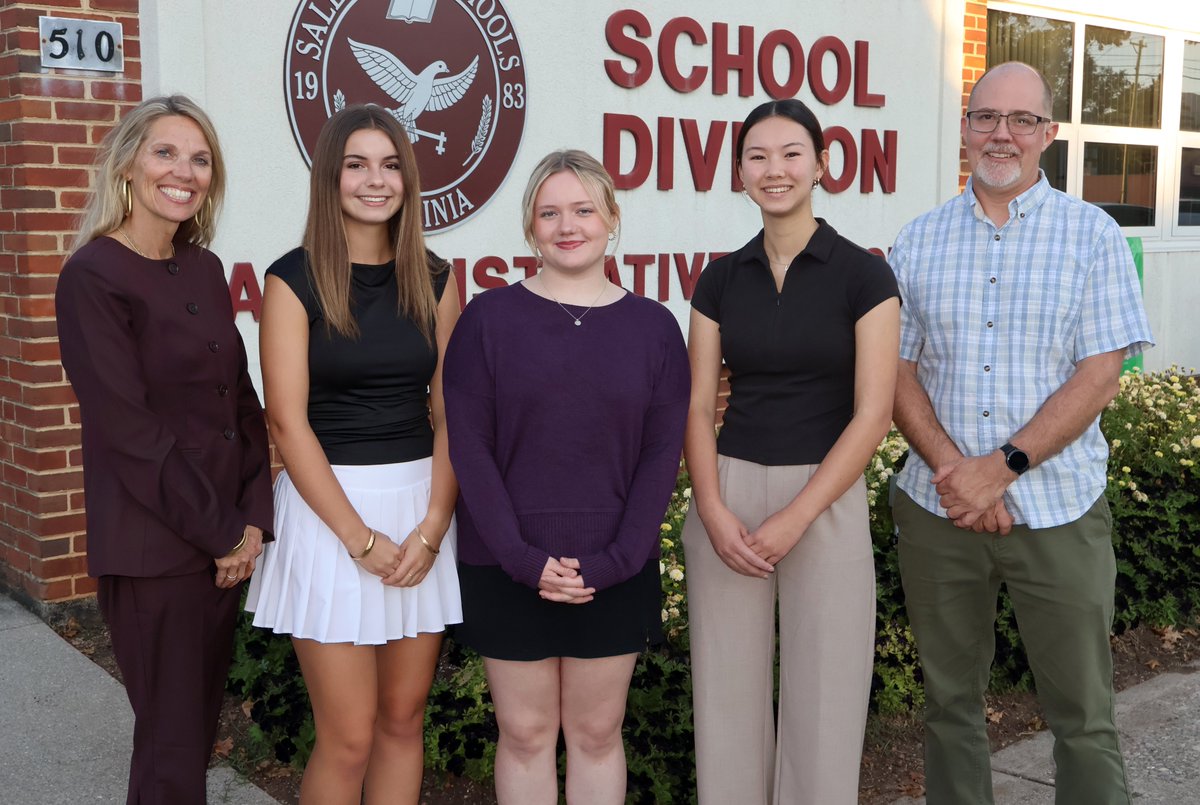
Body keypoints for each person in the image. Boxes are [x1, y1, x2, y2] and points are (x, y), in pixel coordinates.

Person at [889, 61, 1153, 805]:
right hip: (938, 508)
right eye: (985, 117)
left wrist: (999, 468)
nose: (1001, 134)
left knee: (1083, 715)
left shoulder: (1092, 236)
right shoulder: (917, 240)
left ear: (1049, 134)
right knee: (948, 709)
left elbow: (1100, 375)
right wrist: (956, 471)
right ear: (966, 128)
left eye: (1021, 120)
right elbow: (896, 372)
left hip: (1060, 510)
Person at [443, 149, 689, 804]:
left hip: (613, 563)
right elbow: (470, 450)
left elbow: (662, 457)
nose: (567, 225)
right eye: (549, 213)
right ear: (529, 228)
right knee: (523, 731)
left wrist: (615, 562)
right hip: (505, 560)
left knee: (597, 729)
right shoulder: (486, 322)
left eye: (582, 209)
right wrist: (524, 559)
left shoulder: (656, 329)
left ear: (611, 216)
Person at [54, 95, 274, 805]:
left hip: (223, 545)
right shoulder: (92, 276)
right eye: (166, 152)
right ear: (127, 164)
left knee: (192, 736)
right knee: (171, 757)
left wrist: (254, 521)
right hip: (157, 549)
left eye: (200, 158)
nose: (185, 171)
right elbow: (130, 431)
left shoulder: (202, 269)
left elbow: (239, 401)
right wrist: (223, 532)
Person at [681, 98, 900, 805]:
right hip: (731, 493)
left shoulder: (865, 277)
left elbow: (873, 414)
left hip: (826, 500)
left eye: (791, 153)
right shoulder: (718, 279)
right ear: (739, 171)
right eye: (757, 156)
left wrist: (798, 514)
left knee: (825, 699)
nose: (774, 169)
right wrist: (710, 508)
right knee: (726, 695)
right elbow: (696, 402)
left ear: (822, 164)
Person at [244, 105, 462, 804]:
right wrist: (359, 538)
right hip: (329, 514)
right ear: (331, 177)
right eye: (358, 164)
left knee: (403, 721)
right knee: (349, 736)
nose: (377, 180)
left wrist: (431, 527)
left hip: (420, 511)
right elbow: (286, 421)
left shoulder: (436, 277)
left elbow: (450, 412)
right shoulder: (291, 280)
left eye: (392, 164)